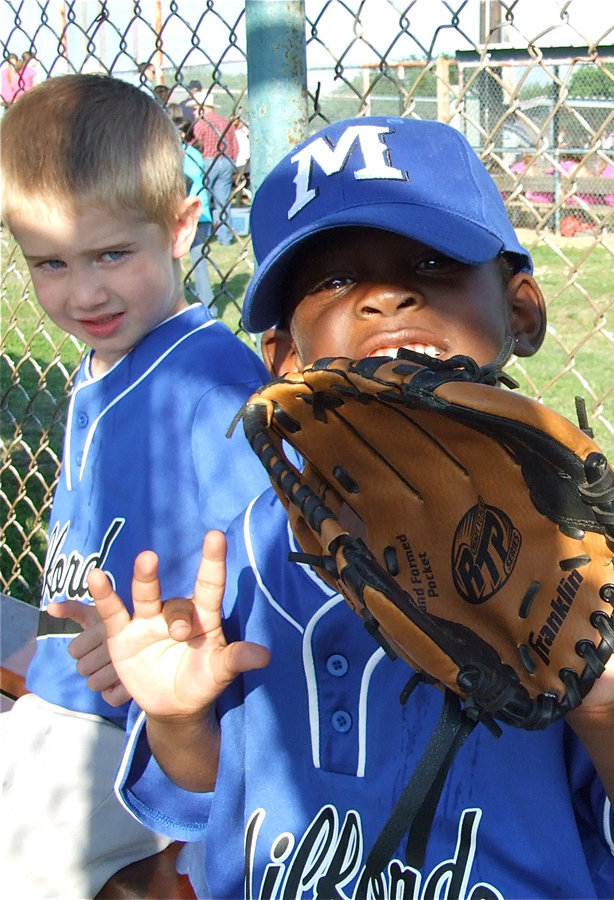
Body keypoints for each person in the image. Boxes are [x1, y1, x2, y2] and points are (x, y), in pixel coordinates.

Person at [93, 116, 614, 900]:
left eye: (433, 262)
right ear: (284, 362)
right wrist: (176, 716)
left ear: (521, 312)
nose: (385, 298)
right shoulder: (244, 558)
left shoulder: (592, 555)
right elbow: (206, 786)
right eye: (333, 281)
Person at [0, 73, 270, 898]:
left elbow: (267, 579)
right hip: (69, 696)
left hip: (141, 732)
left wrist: (182, 636)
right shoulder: (105, 360)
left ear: (181, 225)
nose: (83, 292)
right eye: (50, 263)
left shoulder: (215, 386)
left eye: (112, 254)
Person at [171, 103, 215, 307]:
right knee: (197, 262)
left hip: (191, 215)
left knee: (196, 262)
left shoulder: (180, 156)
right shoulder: (195, 153)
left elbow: (185, 181)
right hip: (202, 212)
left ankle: (207, 304)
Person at [190, 94, 240, 245]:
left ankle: (202, 237)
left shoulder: (201, 124)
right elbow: (235, 146)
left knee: (203, 200)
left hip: (207, 162)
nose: (193, 112)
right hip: (226, 161)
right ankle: (225, 238)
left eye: (195, 108)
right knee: (223, 202)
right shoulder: (227, 123)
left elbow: (195, 146)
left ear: (202, 108)